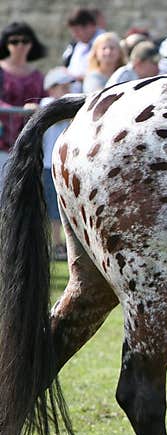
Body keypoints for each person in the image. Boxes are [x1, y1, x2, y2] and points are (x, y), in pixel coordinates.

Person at [0, 21, 46, 189]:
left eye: (25, 41)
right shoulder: (1, 70)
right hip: (2, 139)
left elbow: (44, 98)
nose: (20, 45)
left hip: (28, 141)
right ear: (6, 44)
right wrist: (20, 112)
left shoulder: (37, 75)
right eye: (14, 41)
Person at [40, 67, 76, 260]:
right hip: (48, 164)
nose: (67, 89)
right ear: (51, 89)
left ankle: (66, 244)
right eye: (62, 86)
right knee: (54, 208)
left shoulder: (70, 104)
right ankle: (57, 243)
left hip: (67, 164)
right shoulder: (47, 104)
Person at [63, 8, 104, 91]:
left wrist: (76, 77)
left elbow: (106, 73)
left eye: (77, 31)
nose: (75, 35)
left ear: (90, 26)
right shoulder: (79, 45)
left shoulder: (105, 44)